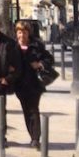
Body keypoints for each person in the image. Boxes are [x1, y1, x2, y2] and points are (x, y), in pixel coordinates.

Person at [15, 20, 53, 150]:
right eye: (19, 32)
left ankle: (36, 139)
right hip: (19, 84)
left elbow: (49, 59)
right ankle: (33, 136)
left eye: (24, 32)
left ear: (28, 32)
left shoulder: (37, 45)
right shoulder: (13, 46)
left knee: (33, 109)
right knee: (26, 110)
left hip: (34, 83)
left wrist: (40, 64)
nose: (22, 35)